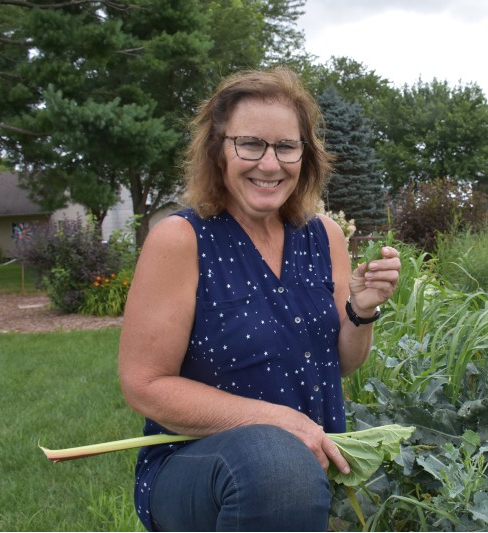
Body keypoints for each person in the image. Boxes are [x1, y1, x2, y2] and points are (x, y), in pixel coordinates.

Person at [118, 67, 401, 532]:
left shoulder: (324, 236)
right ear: (218, 149)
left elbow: (341, 363)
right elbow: (144, 385)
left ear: (305, 156)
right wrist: (273, 420)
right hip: (199, 465)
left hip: (307, 461)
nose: (269, 164)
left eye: (286, 146)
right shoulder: (182, 239)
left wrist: (362, 309)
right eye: (250, 144)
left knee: (284, 469)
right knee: (274, 465)